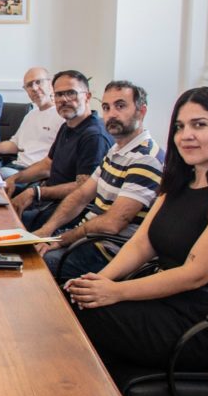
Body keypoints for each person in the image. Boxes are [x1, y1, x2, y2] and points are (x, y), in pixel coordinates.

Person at [67, 87, 208, 383]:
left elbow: (194, 274)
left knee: (80, 314)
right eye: (180, 127)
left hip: (201, 324)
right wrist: (99, 281)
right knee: (73, 297)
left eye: (200, 125)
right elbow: (140, 244)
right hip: (163, 302)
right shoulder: (176, 186)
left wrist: (116, 291)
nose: (186, 135)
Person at [31, 81, 164, 279]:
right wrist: (47, 230)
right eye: (106, 107)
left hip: (107, 254)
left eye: (120, 106)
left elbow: (112, 223)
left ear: (141, 111)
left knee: (31, 264)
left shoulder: (146, 158)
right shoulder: (116, 150)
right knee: (24, 249)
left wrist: (62, 239)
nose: (111, 114)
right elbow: (82, 195)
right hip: (87, 240)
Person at [4, 70, 113, 231]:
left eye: (71, 93)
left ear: (87, 96)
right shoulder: (67, 126)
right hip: (47, 200)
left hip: (67, 212)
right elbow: (47, 164)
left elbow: (84, 188)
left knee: (1, 222)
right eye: (59, 94)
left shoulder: (94, 136)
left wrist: (36, 193)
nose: (64, 99)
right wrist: (15, 178)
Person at [0, 67, 64, 178]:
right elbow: (15, 144)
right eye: (29, 85)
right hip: (16, 167)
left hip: (37, 173)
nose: (34, 88)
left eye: (38, 82)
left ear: (50, 84)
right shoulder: (30, 115)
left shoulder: (62, 116)